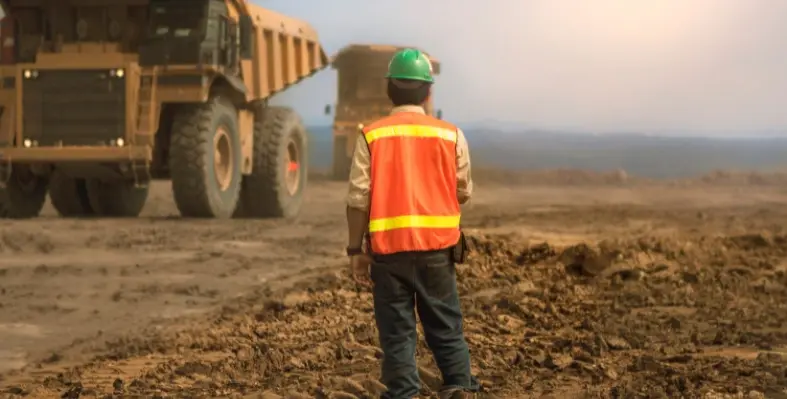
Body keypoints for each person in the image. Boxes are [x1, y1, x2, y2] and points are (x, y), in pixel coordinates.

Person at [345, 48, 478, 399]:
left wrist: (354, 249)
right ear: (428, 92)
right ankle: (459, 386)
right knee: (446, 326)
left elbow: (358, 198)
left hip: (389, 255)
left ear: (389, 88)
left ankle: (404, 393)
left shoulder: (371, 136)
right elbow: (463, 191)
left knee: (398, 333)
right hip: (438, 249)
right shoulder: (450, 135)